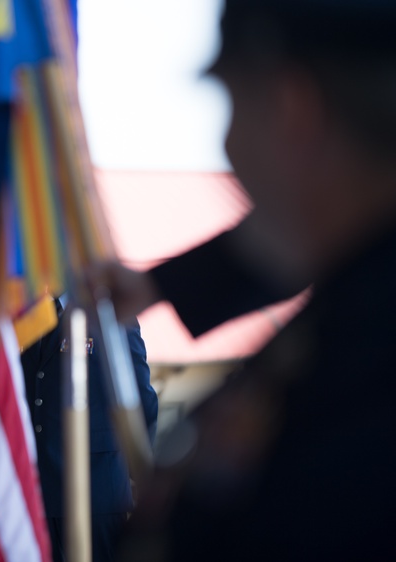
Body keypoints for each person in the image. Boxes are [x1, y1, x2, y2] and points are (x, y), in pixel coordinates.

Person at [88, 1, 396, 560]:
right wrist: (168, 287)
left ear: (292, 110)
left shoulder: (352, 392)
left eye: (232, 105)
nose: (228, 148)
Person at [20, 296, 157, 562]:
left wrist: (142, 473)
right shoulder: (24, 314)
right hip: (36, 491)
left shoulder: (109, 313)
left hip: (96, 490)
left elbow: (141, 401)